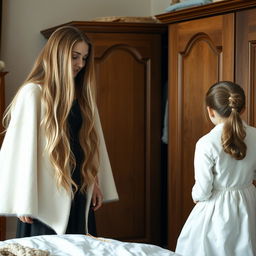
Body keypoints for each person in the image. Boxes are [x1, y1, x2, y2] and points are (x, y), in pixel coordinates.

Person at [0, 26, 118, 237]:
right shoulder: (33, 94)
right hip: (44, 199)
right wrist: (23, 199)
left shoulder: (83, 98)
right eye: (74, 57)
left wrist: (94, 180)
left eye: (84, 57)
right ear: (58, 54)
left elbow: (91, 144)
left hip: (80, 192)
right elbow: (21, 153)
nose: (80, 64)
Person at [175, 81, 256, 256]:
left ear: (210, 110)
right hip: (249, 203)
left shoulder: (206, 143)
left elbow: (203, 189)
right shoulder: (255, 136)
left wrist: (196, 196)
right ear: (242, 108)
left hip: (217, 209)